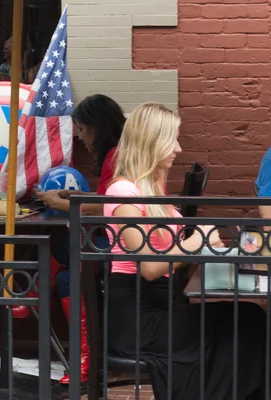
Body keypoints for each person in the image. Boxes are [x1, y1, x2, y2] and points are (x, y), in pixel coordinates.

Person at [105, 102, 267, 399]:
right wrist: (195, 243)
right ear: (151, 141)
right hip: (137, 320)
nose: (178, 148)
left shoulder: (149, 191)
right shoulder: (123, 192)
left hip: (158, 308)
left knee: (248, 318)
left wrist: (201, 244)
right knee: (245, 323)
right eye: (173, 139)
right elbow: (150, 268)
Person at [28, 94, 126, 385]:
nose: (80, 136)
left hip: (120, 247)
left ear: (98, 127)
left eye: (82, 129)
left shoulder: (116, 156)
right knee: (58, 247)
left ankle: (86, 359)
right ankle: (35, 294)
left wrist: (62, 205)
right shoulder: (118, 153)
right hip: (118, 239)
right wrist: (75, 197)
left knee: (69, 277)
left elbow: (111, 206)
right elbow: (108, 199)